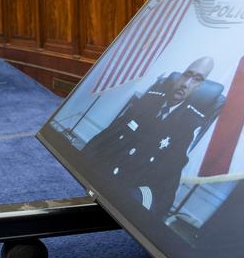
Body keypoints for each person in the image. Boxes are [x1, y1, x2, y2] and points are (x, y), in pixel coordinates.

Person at [82, 57, 223, 218]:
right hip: (106, 172)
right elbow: (108, 136)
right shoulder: (149, 100)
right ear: (179, 76)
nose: (186, 83)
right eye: (186, 75)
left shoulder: (189, 126)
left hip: (131, 187)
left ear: (199, 87)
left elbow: (167, 182)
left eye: (196, 79)